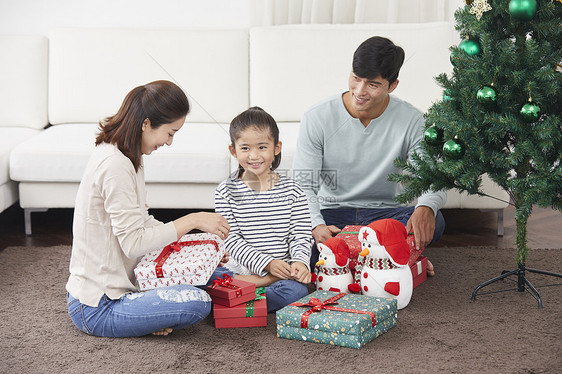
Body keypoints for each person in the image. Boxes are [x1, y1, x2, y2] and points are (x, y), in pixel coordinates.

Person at [66, 80, 232, 338]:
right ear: (146, 124)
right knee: (198, 301)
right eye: (170, 133)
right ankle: (144, 314)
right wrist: (193, 219)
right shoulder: (114, 165)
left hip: (131, 282)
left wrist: (198, 248)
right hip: (99, 305)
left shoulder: (130, 156)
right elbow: (134, 243)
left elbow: (141, 222)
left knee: (215, 272)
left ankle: (148, 313)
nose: (169, 142)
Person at [292, 36, 446, 276]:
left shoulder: (413, 120)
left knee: (435, 220)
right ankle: (396, 258)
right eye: (355, 78)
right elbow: (303, 185)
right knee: (294, 233)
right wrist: (316, 225)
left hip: (386, 215)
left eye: (372, 84)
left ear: (392, 85)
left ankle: (346, 259)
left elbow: (430, 177)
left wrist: (425, 207)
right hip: (332, 213)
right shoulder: (317, 117)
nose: (360, 92)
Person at [215, 107, 313, 312]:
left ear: (276, 148)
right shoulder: (226, 191)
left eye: (262, 147)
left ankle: (237, 300)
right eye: (245, 148)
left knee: (296, 292)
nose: (254, 156)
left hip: (283, 275)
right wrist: (267, 265)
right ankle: (254, 289)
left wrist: (300, 263)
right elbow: (231, 240)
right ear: (233, 150)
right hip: (243, 272)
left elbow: (301, 235)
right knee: (212, 276)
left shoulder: (293, 190)